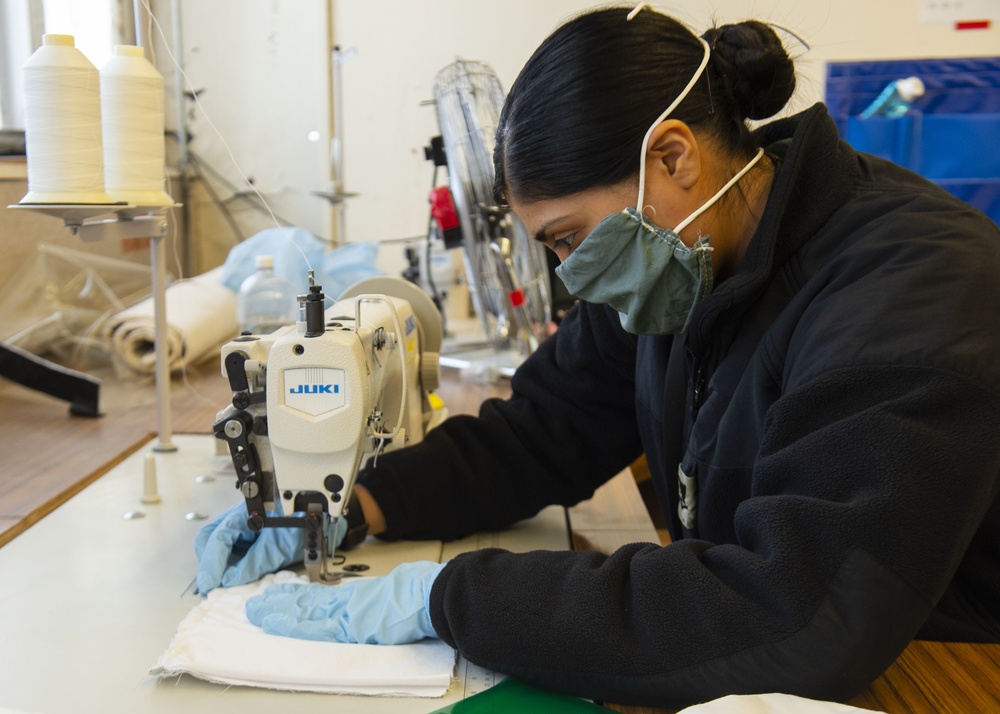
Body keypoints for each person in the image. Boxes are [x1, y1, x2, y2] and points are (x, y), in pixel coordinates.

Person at [196, 4, 1000, 709]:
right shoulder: (683, 260)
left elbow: (795, 607)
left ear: (673, 158)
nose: (568, 273)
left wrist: (445, 599)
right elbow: (547, 428)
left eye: (569, 238)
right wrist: (359, 502)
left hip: (939, 673)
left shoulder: (910, 294)